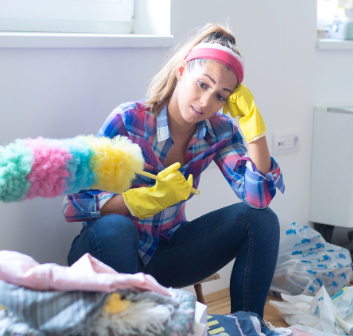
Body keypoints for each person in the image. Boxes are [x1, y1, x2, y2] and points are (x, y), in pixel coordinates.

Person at [64, 24, 284, 318]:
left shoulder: (219, 132)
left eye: (221, 96)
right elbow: (73, 205)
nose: (207, 102)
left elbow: (258, 198)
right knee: (118, 226)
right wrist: (138, 201)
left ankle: (248, 333)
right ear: (182, 72)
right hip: (107, 252)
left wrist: (253, 126)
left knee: (261, 220)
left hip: (164, 256)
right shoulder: (129, 121)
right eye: (203, 84)